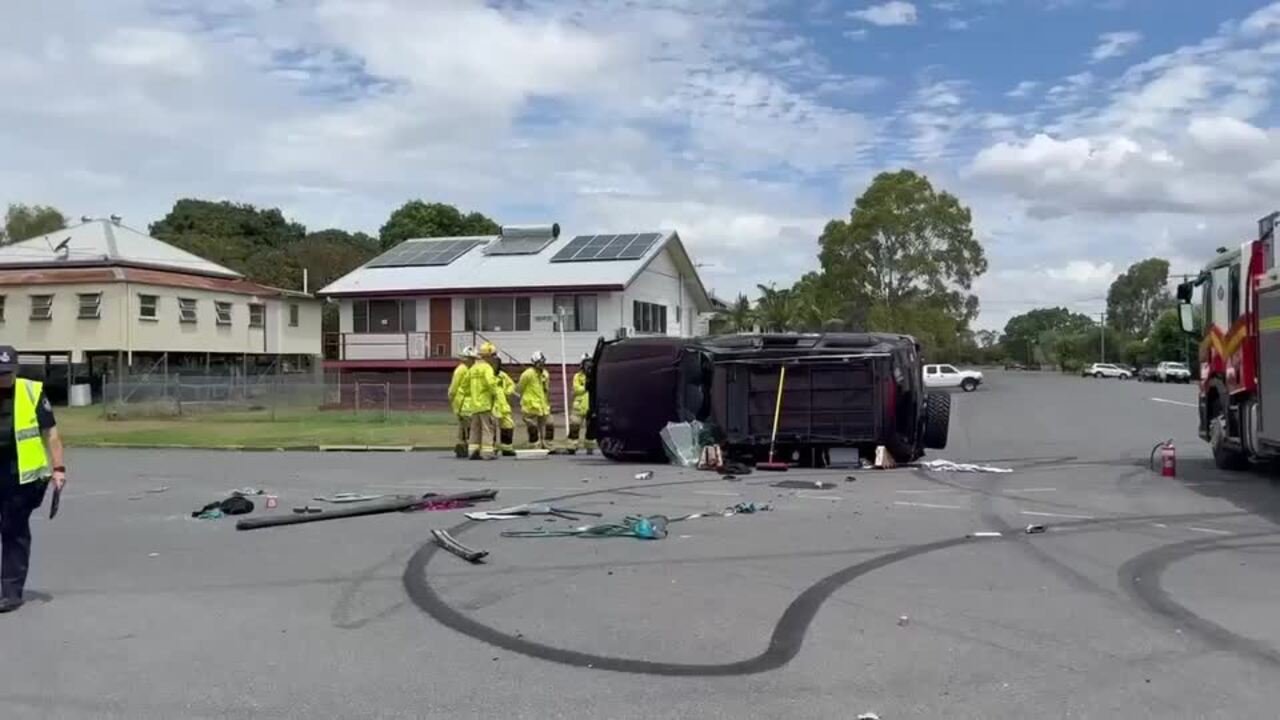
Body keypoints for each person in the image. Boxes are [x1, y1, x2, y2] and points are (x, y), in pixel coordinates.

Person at [0, 346, 65, 613]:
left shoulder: (31, 391)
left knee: (14, 532)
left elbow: (51, 433)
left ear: (15, 369)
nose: (2, 378)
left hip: (20, 477)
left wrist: (59, 469)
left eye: (6, 373)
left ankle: (11, 593)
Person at [465, 342, 501, 460]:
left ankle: (473, 451)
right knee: (487, 429)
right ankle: (487, 453)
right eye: (493, 356)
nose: (495, 358)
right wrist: (497, 394)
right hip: (485, 404)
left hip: (474, 405)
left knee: (475, 429)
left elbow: (465, 386)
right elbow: (491, 384)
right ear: (488, 356)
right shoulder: (487, 368)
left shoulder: (473, 368)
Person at [517, 351, 552, 449]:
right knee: (533, 428)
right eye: (539, 362)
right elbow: (520, 388)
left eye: (543, 362)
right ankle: (534, 446)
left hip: (542, 406)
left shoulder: (545, 374)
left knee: (549, 424)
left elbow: (546, 389)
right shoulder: (527, 374)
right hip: (530, 406)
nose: (542, 364)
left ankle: (547, 446)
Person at [448, 347, 477, 458]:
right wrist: (451, 397)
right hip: (462, 402)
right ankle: (467, 446)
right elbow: (454, 386)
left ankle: (461, 446)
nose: (473, 361)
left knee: (463, 426)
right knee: (467, 425)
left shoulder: (469, 369)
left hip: (467, 402)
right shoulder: (461, 370)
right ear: (465, 359)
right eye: (471, 358)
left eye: (474, 359)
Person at [568, 354, 595, 455]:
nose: (588, 366)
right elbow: (576, 389)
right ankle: (572, 446)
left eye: (589, 363)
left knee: (591, 428)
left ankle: (590, 447)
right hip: (578, 406)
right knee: (574, 426)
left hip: (590, 405)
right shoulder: (577, 376)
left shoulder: (594, 376)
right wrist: (585, 387)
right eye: (586, 363)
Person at [492, 357, 517, 457]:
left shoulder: (502, 376)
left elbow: (511, 384)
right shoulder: (487, 374)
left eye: (496, 364)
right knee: (491, 427)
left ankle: (507, 448)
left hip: (503, 404)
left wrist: (508, 391)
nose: (494, 366)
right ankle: (491, 448)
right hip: (491, 404)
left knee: (508, 425)